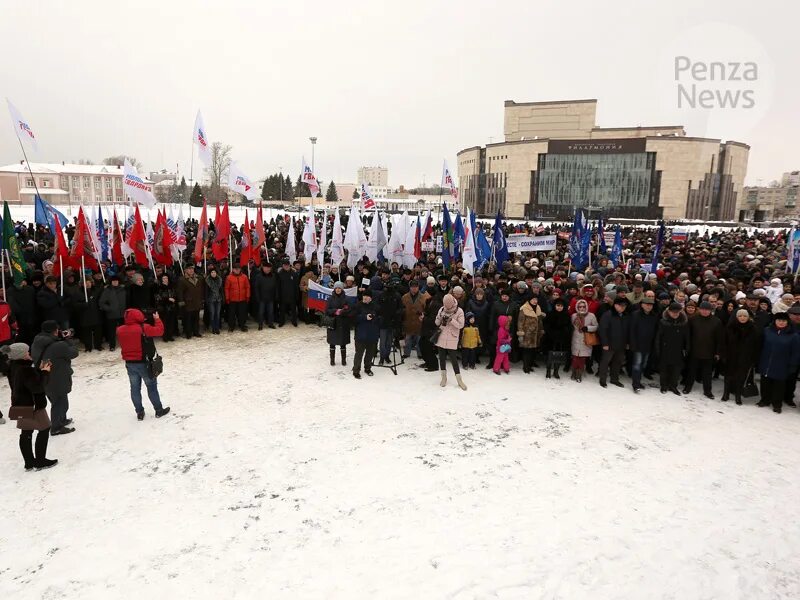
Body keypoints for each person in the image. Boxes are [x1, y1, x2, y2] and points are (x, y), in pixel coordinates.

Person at [3, 343, 57, 470]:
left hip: (19, 403)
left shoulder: (13, 366)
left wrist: (37, 370)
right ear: (21, 355)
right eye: (27, 352)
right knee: (44, 429)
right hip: (33, 405)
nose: (29, 353)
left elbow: (25, 382)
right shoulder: (25, 369)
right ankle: (40, 461)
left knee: (26, 432)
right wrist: (45, 372)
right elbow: (38, 387)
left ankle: (29, 462)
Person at [116, 308, 170, 420]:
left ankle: (139, 412)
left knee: (135, 389)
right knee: (151, 387)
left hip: (130, 363)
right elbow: (160, 331)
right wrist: (157, 319)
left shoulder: (120, 330)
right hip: (144, 363)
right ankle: (159, 410)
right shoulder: (143, 328)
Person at [31, 320, 78, 436]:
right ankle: (56, 427)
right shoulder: (58, 345)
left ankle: (61, 420)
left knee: (58, 400)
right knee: (59, 402)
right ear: (55, 331)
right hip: (57, 377)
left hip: (45, 376)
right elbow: (74, 353)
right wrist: (68, 339)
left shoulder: (37, 342)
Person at [757, 312, 800, 414]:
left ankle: (777, 404)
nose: (781, 322)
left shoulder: (793, 335)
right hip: (766, 363)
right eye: (779, 320)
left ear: (787, 322)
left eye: (783, 321)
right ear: (775, 321)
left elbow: (796, 352)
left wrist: (793, 365)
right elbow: (760, 346)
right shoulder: (767, 331)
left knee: (779, 386)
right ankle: (765, 400)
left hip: (782, 365)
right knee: (765, 383)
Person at [683, 301, 723, 399]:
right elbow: (688, 335)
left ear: (711, 310)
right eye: (703, 309)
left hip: (709, 352)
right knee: (691, 371)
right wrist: (687, 348)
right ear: (699, 309)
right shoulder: (693, 319)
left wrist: (718, 352)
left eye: (707, 310)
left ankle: (707, 391)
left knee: (707, 373)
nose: (705, 311)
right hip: (694, 350)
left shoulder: (716, 321)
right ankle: (688, 387)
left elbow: (719, 338)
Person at [722, 309, 758, 405]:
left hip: (745, 358)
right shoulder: (730, 327)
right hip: (731, 356)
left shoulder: (752, 329)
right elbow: (724, 342)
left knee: (741, 377)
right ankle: (726, 394)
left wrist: (753, 358)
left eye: (745, 316)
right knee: (728, 376)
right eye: (740, 316)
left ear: (748, 317)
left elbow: (756, 345)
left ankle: (738, 395)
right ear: (737, 317)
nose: (742, 318)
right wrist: (724, 355)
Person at [655, 303, 690, 395]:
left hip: (678, 349)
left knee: (676, 369)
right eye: (673, 312)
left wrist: (686, 349)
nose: (675, 314)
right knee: (664, 369)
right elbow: (658, 337)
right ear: (669, 312)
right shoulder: (663, 322)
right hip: (665, 349)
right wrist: (658, 350)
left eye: (677, 312)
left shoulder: (683, 323)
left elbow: (687, 338)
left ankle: (673, 386)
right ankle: (664, 385)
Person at [435, 293, 467, 389]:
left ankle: (459, 380)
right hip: (441, 336)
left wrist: (451, 320)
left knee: (454, 359)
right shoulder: (442, 309)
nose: (447, 307)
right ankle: (443, 378)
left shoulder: (459, 311)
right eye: (445, 305)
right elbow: (436, 323)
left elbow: (461, 325)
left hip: (452, 337)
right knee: (441, 358)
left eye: (448, 305)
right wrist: (440, 317)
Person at [598, 296, 631, 388]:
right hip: (609, 344)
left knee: (618, 362)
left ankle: (614, 379)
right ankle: (602, 380)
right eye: (620, 305)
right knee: (605, 362)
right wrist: (605, 343)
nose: (623, 307)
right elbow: (602, 330)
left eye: (624, 306)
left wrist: (627, 342)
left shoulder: (625, 316)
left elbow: (628, 330)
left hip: (621, 344)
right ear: (615, 305)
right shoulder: (608, 314)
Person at [629, 297, 659, 392]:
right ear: (642, 305)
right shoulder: (635, 315)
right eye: (647, 304)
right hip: (638, 344)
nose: (649, 306)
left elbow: (655, 331)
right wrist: (632, 343)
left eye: (651, 305)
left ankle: (638, 381)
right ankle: (635, 384)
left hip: (648, 345)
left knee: (643, 364)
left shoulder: (654, 316)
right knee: (637, 364)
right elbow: (632, 330)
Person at [352, 289, 379, 379]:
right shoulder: (358, 305)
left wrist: (374, 317)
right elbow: (353, 318)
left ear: (371, 298)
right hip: (360, 334)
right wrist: (364, 317)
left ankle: (367, 368)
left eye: (367, 296)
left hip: (372, 334)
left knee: (369, 354)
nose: (365, 297)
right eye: (364, 295)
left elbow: (380, 318)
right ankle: (356, 370)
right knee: (359, 353)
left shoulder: (375, 306)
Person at [543, 297, 572, 379]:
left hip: (561, 340)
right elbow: (546, 325)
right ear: (555, 306)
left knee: (559, 356)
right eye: (558, 305)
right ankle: (548, 371)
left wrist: (565, 333)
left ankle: (556, 371)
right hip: (550, 339)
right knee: (550, 356)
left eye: (561, 306)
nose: (559, 307)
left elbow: (569, 327)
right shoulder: (550, 314)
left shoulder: (566, 315)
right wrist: (551, 332)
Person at [570, 299, 598, 382]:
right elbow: (571, 326)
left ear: (586, 307)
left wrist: (588, 328)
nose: (582, 308)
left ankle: (579, 374)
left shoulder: (591, 315)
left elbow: (596, 326)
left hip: (585, 339)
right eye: (580, 307)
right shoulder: (574, 316)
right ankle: (574, 372)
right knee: (575, 357)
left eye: (583, 306)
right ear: (577, 307)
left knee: (582, 358)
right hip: (575, 339)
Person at [325, 281, 352, 366]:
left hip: (343, 324)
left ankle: (343, 360)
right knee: (332, 343)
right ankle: (332, 360)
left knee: (343, 343)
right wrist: (335, 311)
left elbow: (349, 310)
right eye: (336, 288)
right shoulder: (330, 299)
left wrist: (342, 312)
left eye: (339, 288)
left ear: (342, 289)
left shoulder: (347, 298)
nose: (338, 290)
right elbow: (326, 311)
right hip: (333, 323)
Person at [400, 280, 428, 359]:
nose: (414, 288)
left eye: (416, 287)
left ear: (418, 287)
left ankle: (420, 353)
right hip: (408, 320)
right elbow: (401, 308)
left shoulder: (423, 297)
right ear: (410, 287)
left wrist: (423, 314)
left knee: (419, 339)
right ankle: (406, 353)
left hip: (419, 321)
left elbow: (426, 309)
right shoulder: (404, 297)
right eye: (412, 287)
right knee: (407, 338)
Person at [517, 295, 544, 374]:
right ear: (529, 300)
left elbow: (540, 321)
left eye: (536, 299)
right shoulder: (524, 308)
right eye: (533, 299)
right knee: (527, 351)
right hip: (527, 334)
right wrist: (520, 333)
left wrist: (541, 330)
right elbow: (520, 322)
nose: (535, 301)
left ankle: (530, 365)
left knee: (533, 351)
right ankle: (526, 366)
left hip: (536, 334)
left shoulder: (538, 308)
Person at [177, 264, 206, 338]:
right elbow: (180, 292)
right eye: (189, 269)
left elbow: (202, 289)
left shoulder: (199, 278)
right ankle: (188, 333)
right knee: (188, 319)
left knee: (196, 318)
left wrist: (202, 298)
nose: (191, 270)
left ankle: (196, 331)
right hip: (188, 302)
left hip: (197, 301)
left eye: (192, 269)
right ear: (185, 270)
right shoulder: (182, 279)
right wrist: (181, 301)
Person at [99, 275, 127, 350]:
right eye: (113, 281)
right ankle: (112, 345)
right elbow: (101, 302)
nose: (115, 282)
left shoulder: (123, 290)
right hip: (111, 315)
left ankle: (124, 343)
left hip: (122, 314)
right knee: (111, 332)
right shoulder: (107, 291)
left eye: (116, 281)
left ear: (119, 282)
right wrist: (109, 309)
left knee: (123, 331)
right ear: (111, 282)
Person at [225, 264, 251, 332]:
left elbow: (247, 287)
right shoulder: (229, 277)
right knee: (231, 314)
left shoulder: (244, 277)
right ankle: (231, 326)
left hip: (242, 299)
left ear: (240, 269)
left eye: (238, 269)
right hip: (232, 299)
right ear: (233, 269)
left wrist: (247, 296)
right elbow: (227, 288)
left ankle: (242, 325)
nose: (237, 270)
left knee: (242, 313)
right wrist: (227, 298)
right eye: (235, 269)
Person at [154, 273, 179, 342]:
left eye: (166, 278)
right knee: (165, 322)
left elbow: (175, 294)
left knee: (171, 322)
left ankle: (170, 335)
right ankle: (165, 336)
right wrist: (167, 299)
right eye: (164, 278)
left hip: (172, 307)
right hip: (163, 308)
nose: (165, 279)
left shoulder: (172, 286)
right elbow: (158, 298)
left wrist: (175, 299)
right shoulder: (159, 287)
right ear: (161, 279)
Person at [253, 262, 277, 330]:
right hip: (262, 298)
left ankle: (270, 323)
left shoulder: (273, 276)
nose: (267, 269)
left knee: (271, 312)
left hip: (270, 297)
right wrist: (257, 297)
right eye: (266, 267)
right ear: (263, 268)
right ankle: (260, 324)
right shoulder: (258, 276)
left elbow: (275, 287)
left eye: (269, 268)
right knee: (261, 312)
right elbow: (256, 288)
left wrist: (276, 295)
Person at [277, 259, 300, 327]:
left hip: (292, 295)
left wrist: (297, 295)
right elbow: (278, 286)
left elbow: (296, 286)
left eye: (287, 265)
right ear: (283, 266)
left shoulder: (294, 274)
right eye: (285, 265)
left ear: (290, 265)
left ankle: (294, 321)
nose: (286, 266)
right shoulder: (280, 274)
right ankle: (281, 322)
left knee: (293, 310)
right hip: (283, 296)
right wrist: (278, 295)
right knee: (282, 310)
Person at [204, 266, 224, 335]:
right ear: (210, 273)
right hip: (211, 300)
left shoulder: (220, 280)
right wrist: (206, 300)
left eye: (214, 272)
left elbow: (221, 291)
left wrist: (223, 298)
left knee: (217, 314)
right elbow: (206, 291)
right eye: (212, 272)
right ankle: (213, 328)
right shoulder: (207, 281)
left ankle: (217, 328)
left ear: (216, 273)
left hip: (218, 299)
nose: (213, 273)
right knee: (212, 313)